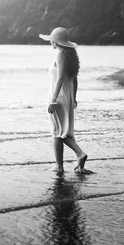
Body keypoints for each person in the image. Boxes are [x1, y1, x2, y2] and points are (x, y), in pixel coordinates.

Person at [39, 27, 88, 173]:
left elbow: (60, 77)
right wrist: (74, 97)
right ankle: (59, 166)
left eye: (51, 41)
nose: (50, 43)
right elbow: (74, 80)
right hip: (67, 96)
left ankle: (78, 154)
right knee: (61, 131)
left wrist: (53, 99)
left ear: (55, 42)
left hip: (58, 97)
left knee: (57, 132)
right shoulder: (71, 56)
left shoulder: (60, 55)